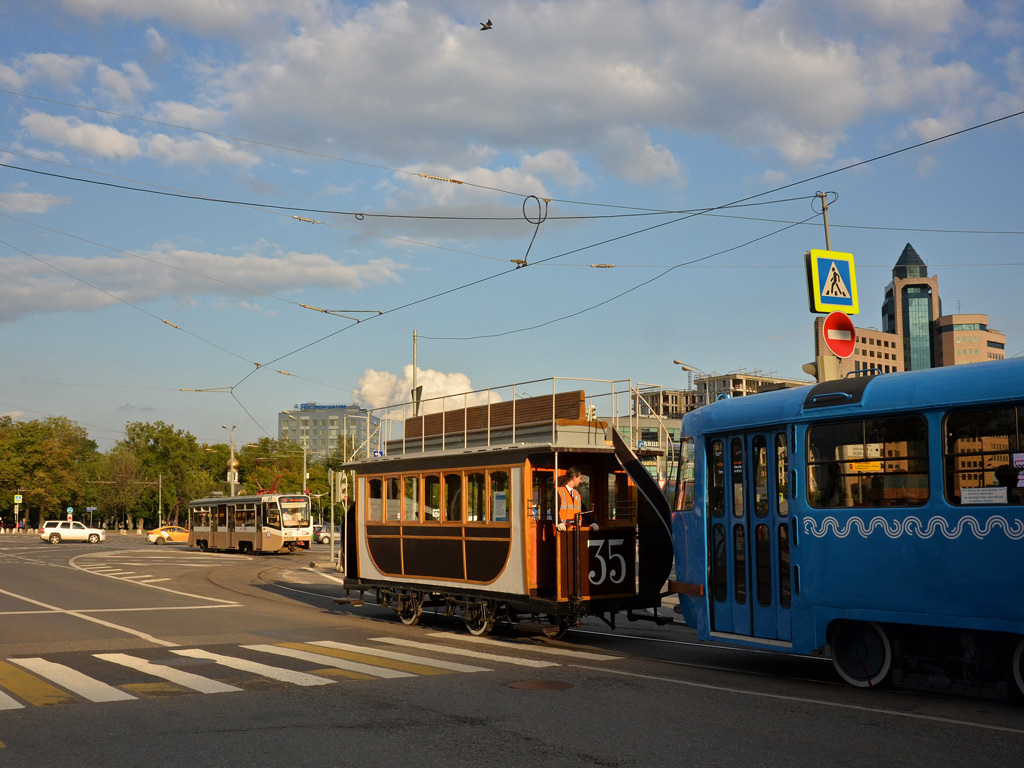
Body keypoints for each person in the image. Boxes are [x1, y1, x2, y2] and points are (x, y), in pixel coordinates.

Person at [556, 467, 598, 532]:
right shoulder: (558, 491)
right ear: (574, 478)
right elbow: (554, 510)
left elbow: (583, 510)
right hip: (562, 531)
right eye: (579, 478)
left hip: (576, 530)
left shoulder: (576, 493)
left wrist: (592, 522)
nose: (580, 481)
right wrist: (559, 523)